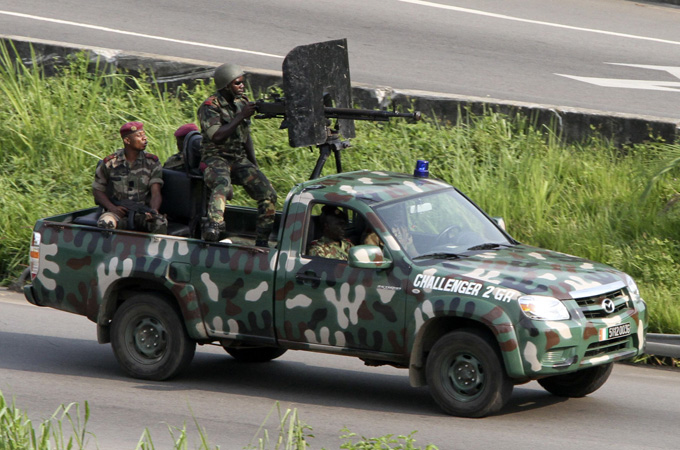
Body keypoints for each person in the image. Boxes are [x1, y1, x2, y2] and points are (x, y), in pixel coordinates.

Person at [197, 63, 277, 245]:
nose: (242, 86)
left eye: (242, 82)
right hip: (215, 157)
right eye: (237, 83)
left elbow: (246, 135)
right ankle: (214, 226)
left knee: (268, 193)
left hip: (238, 158)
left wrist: (253, 163)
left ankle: (262, 240)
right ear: (226, 86)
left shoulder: (242, 102)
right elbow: (216, 136)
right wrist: (240, 116)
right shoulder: (210, 106)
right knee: (222, 184)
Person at [93, 121, 168, 234]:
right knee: (105, 223)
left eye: (144, 134)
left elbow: (156, 192)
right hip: (118, 212)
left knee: (159, 223)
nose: (144, 138)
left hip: (142, 213)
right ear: (127, 141)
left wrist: (153, 211)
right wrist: (112, 208)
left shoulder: (152, 162)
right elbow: (97, 190)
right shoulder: (111, 163)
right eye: (139, 135)